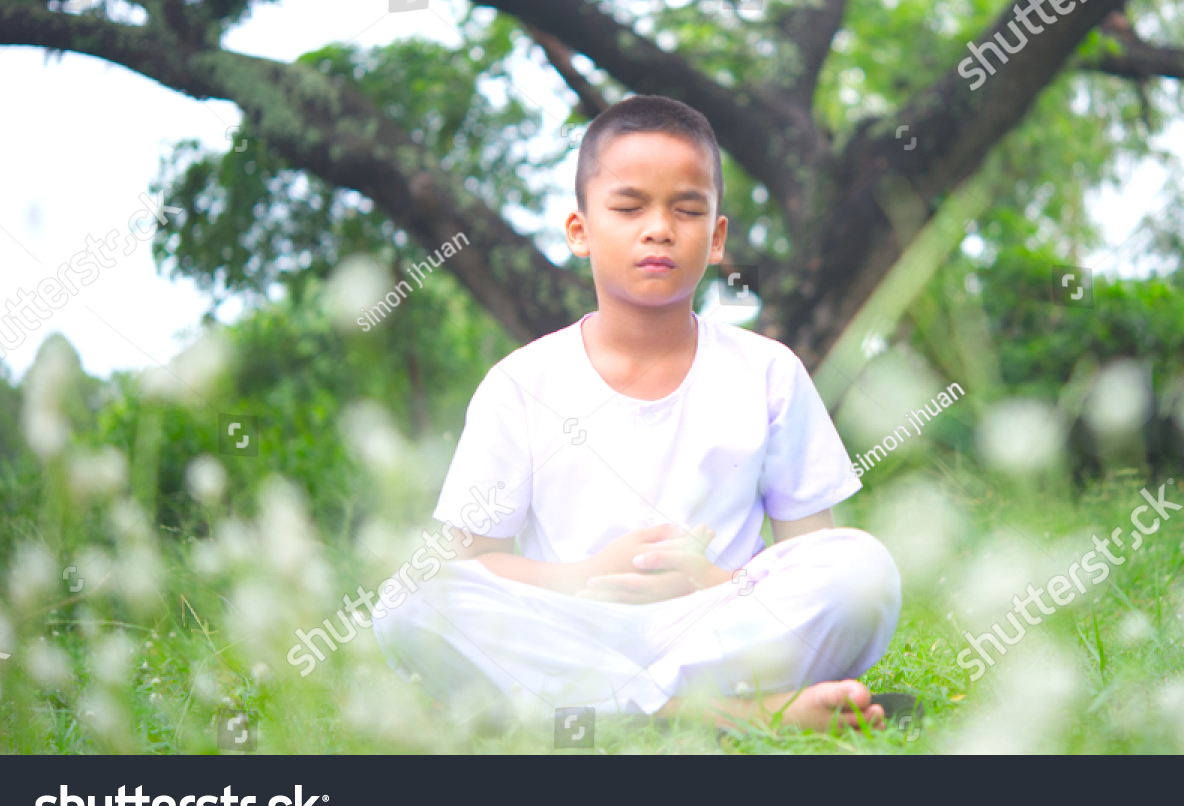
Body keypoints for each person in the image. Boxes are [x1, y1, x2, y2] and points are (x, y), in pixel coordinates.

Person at [372, 95, 901, 734]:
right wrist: (585, 577)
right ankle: (719, 714)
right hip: (572, 621)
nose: (659, 228)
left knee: (863, 571)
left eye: (687, 209)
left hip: (713, 625)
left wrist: (714, 581)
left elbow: (810, 553)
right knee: (410, 598)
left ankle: (571, 710)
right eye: (628, 207)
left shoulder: (768, 371)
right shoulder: (522, 381)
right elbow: (469, 560)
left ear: (717, 237)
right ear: (579, 230)